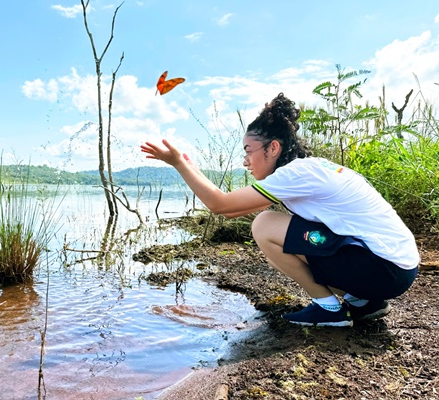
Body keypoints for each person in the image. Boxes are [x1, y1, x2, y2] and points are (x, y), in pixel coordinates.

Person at [140, 93, 419, 327]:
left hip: (383, 268)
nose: (246, 161)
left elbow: (220, 206)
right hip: (396, 267)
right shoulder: (309, 168)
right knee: (279, 234)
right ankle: (363, 302)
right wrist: (192, 167)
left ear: (272, 148)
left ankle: (330, 311)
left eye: (249, 151)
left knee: (264, 226)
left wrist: (179, 164)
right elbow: (232, 208)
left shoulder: (295, 175)